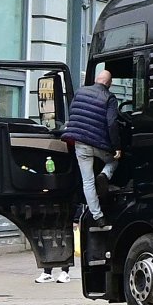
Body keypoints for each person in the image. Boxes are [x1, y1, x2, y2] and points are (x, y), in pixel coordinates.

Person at [64, 66, 123, 223]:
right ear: (109, 84)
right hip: (99, 144)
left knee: (87, 181)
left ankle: (98, 217)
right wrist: (116, 147)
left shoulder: (80, 92)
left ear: (97, 79)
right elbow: (112, 123)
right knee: (114, 161)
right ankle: (104, 175)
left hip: (80, 144)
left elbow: (73, 112)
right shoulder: (109, 97)